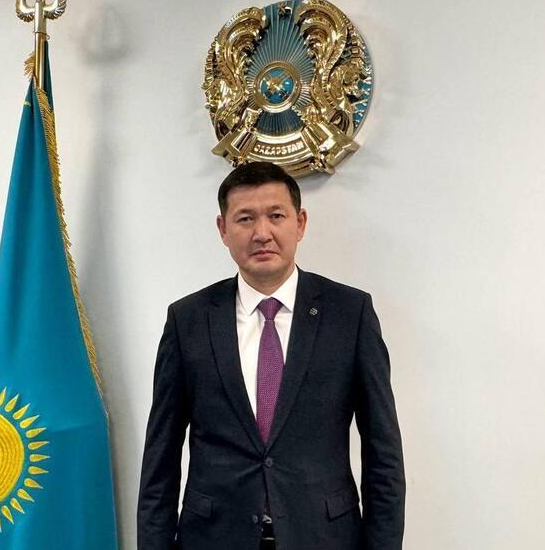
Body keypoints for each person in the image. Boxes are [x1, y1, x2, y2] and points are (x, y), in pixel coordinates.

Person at [137, 162, 405, 550]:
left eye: (276, 216)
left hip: (324, 538)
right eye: (245, 218)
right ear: (223, 229)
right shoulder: (188, 320)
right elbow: (159, 459)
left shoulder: (350, 314)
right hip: (213, 539)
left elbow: (384, 457)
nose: (262, 233)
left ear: (300, 223)